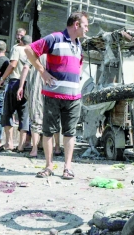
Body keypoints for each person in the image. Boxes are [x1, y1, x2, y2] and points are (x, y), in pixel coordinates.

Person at [26, 11, 88, 180]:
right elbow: (29, 50)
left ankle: (67, 167)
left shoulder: (78, 45)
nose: (87, 30)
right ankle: (48, 166)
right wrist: (42, 72)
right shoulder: (55, 38)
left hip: (74, 97)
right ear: (76, 25)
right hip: (53, 95)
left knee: (70, 132)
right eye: (85, 26)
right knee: (48, 131)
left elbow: (78, 65)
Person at [0, 33, 32, 152]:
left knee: (8, 112)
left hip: (15, 83)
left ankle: (9, 143)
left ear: (21, 42)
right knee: (24, 115)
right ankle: (21, 145)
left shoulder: (17, 48)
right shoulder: (33, 51)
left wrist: (3, 78)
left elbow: (13, 64)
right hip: (28, 84)